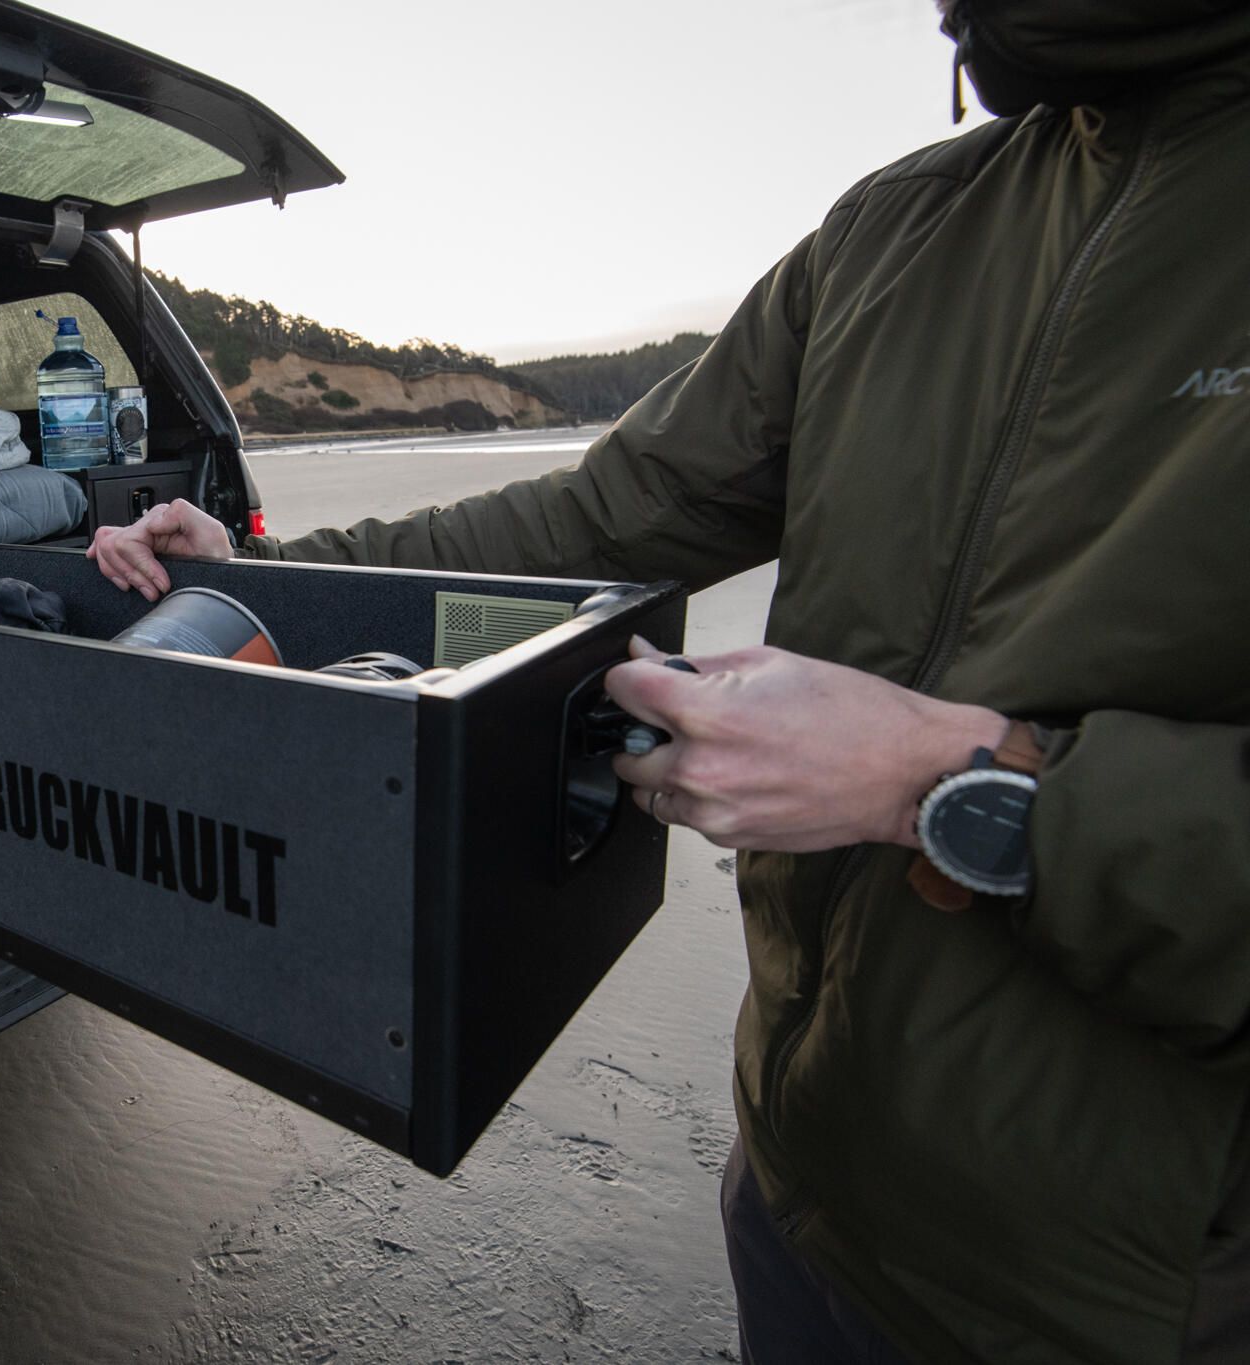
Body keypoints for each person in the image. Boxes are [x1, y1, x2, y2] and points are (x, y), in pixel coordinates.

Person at [86, 3, 1250, 1360]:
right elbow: (597, 519)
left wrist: (956, 781)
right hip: (801, 1187)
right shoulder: (901, 226)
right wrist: (274, 576)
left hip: (1131, 1305)